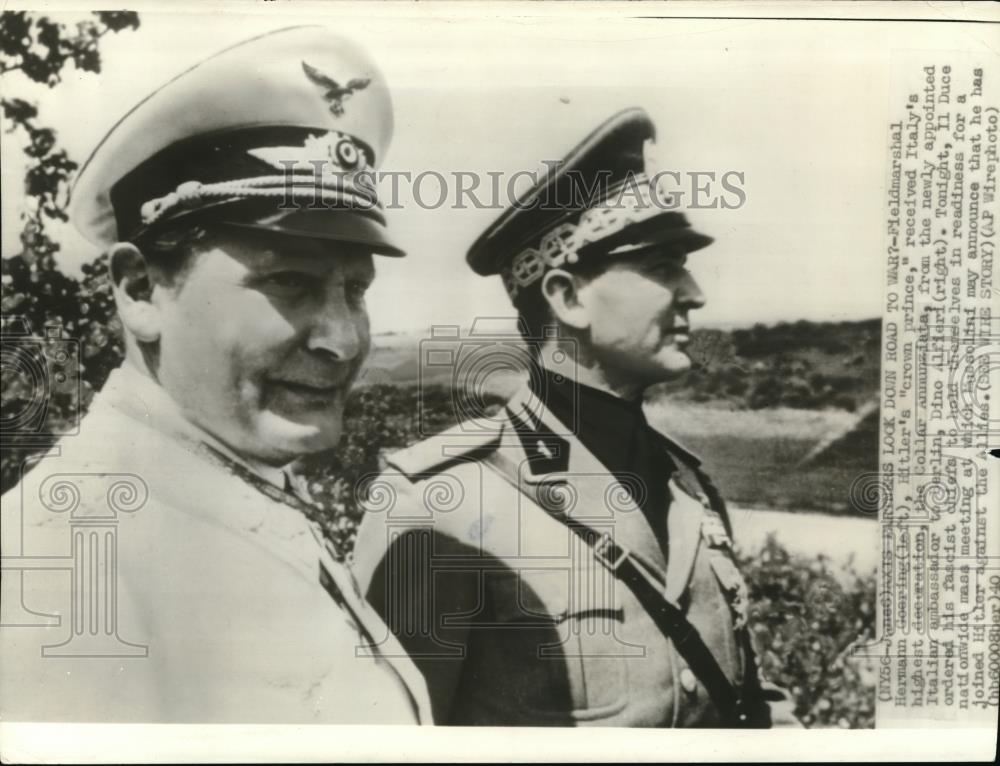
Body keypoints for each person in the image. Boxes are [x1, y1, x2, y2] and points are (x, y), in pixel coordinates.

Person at [0, 26, 429, 724]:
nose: (343, 339)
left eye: (355, 288)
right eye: (290, 281)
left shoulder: (232, 481)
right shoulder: (58, 576)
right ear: (141, 290)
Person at [353, 108, 798, 727]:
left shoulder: (689, 488)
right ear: (566, 297)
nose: (695, 293)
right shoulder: (439, 503)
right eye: (664, 266)